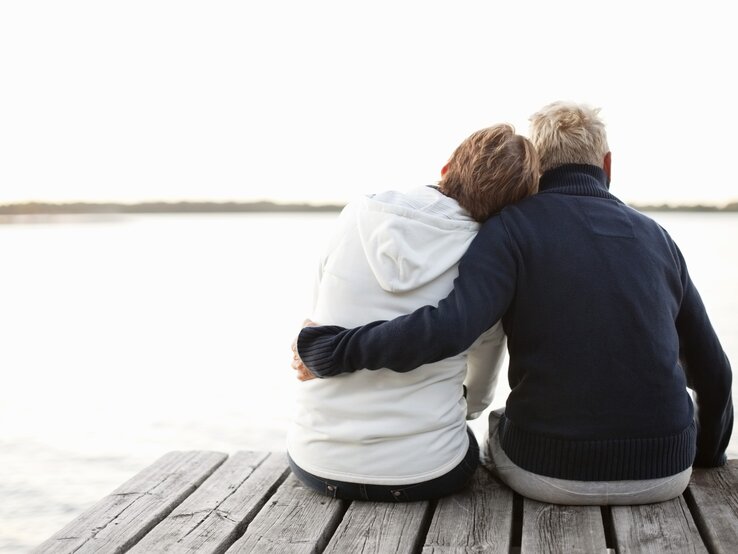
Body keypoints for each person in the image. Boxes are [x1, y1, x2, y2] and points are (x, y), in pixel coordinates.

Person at [295, 101, 734, 505]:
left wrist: (332, 349)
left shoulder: (508, 231)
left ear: (536, 170)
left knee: (499, 423)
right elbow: (714, 373)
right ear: (607, 164)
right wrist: (709, 456)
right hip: (667, 472)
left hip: (547, 471)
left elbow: (450, 328)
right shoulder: (659, 238)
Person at [287, 124, 539, 502]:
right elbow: (479, 394)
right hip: (426, 471)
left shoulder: (357, 214)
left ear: (447, 167)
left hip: (317, 461)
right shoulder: (487, 263)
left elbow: (317, 320)